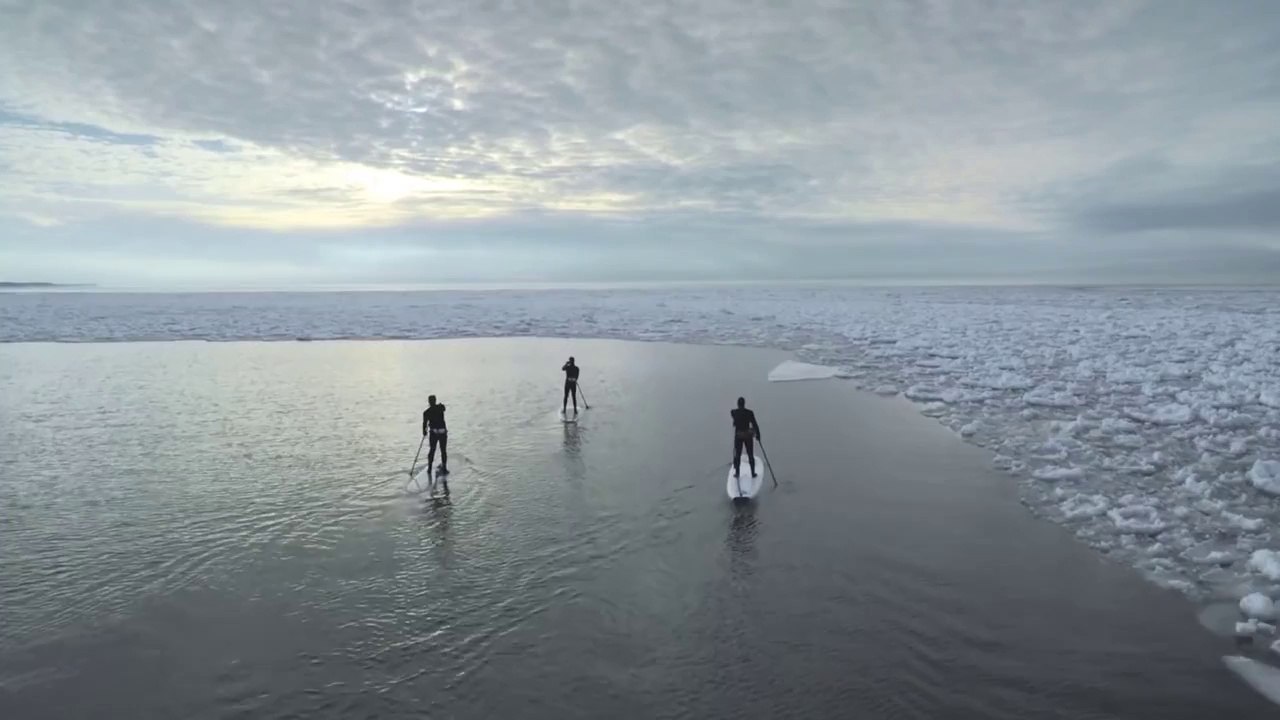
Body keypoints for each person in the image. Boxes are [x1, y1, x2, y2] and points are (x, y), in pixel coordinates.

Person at [730, 396, 761, 479]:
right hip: (747, 435)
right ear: (744, 404)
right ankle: (753, 473)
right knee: (750, 454)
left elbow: (734, 418)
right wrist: (758, 435)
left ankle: (737, 473)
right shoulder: (750, 413)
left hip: (739, 435)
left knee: (738, 454)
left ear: (738, 404)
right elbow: (755, 424)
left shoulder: (733, 412)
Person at [422, 394, 448, 477]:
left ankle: (429, 468)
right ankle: (444, 468)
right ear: (435, 400)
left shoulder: (426, 412)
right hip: (442, 432)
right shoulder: (440, 408)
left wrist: (424, 432)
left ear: (429, 402)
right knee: (443, 450)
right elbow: (444, 408)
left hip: (433, 433)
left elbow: (424, 425)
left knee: (432, 450)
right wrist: (440, 405)